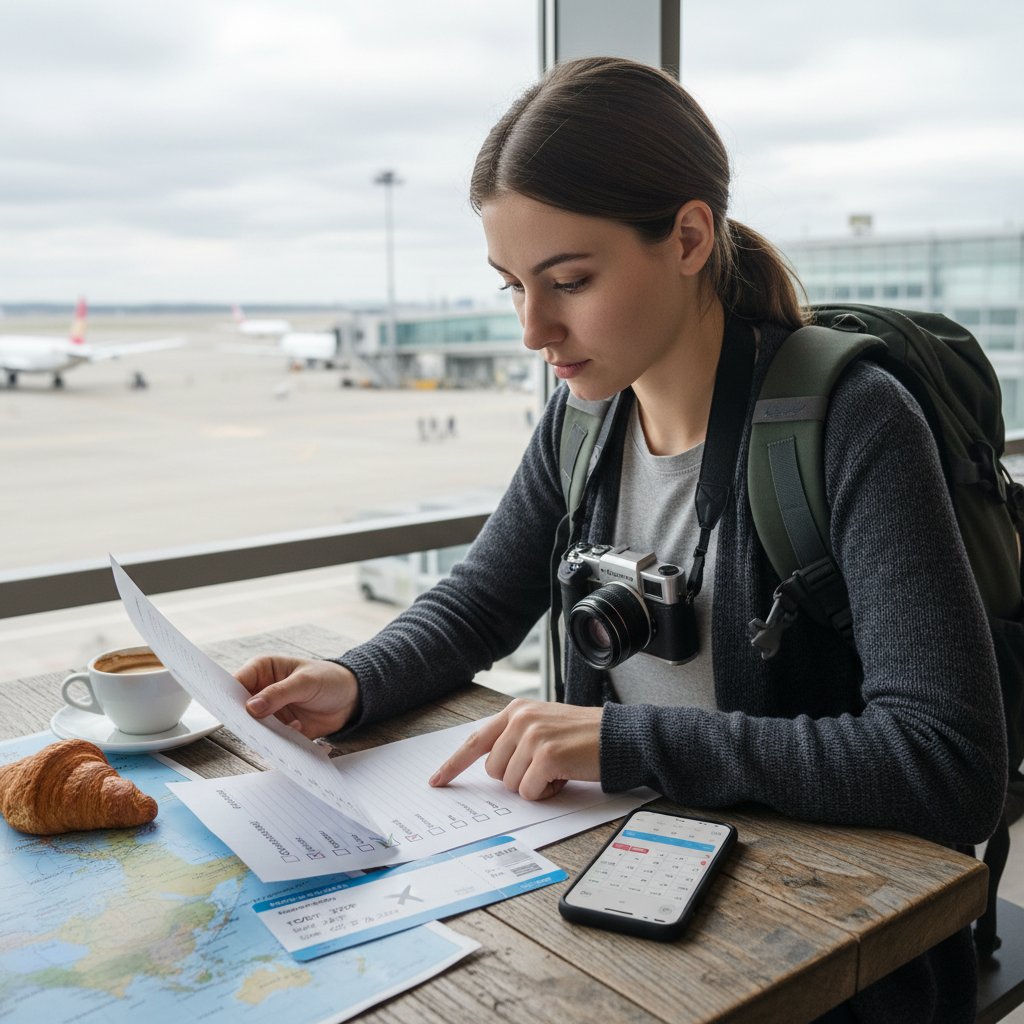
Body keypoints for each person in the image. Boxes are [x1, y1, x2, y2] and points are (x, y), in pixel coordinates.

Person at [236, 57, 1006, 1023]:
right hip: (639, 891)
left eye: (568, 280)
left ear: (689, 237)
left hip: (830, 947)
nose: (533, 329)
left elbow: (947, 766)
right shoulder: (583, 420)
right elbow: (480, 600)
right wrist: (355, 682)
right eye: (512, 284)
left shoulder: (850, 420)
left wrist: (626, 740)